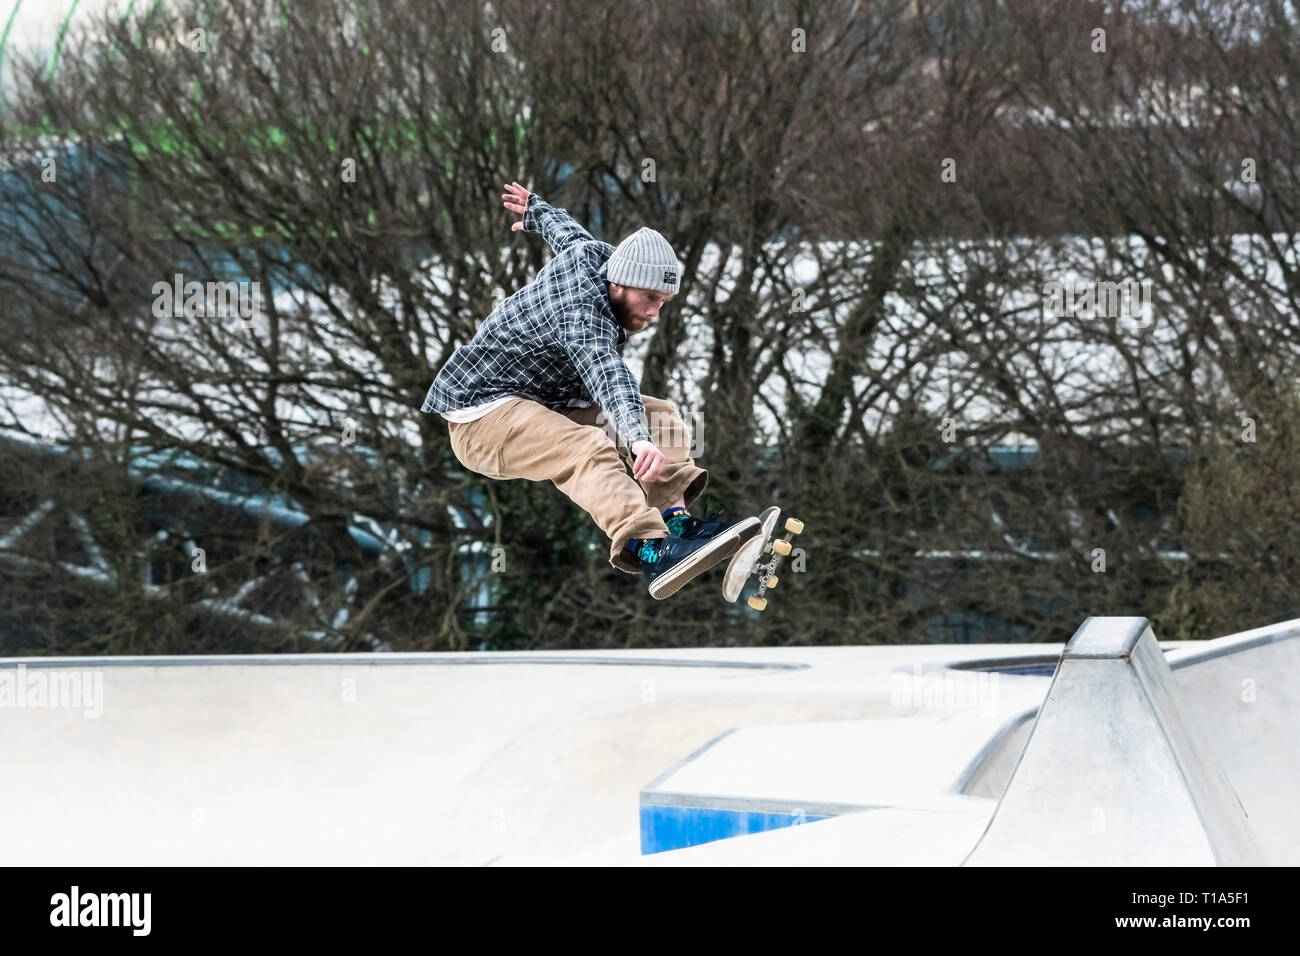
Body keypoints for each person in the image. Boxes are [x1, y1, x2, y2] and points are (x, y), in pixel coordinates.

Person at [421, 181, 760, 599]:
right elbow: (606, 374)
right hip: (481, 418)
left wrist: (535, 211)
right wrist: (635, 439)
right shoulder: (584, 316)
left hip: (539, 403)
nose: (654, 312)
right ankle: (649, 549)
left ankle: (677, 525)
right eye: (648, 298)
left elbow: (567, 233)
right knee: (589, 446)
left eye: (664, 302)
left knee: (661, 416)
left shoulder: (596, 256)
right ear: (619, 284)